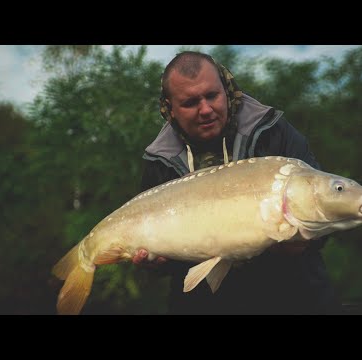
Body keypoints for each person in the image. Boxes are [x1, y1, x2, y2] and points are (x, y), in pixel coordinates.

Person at [134, 51, 343, 315]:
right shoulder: (159, 160)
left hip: (294, 298)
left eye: (212, 96)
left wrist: (305, 243)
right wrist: (159, 264)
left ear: (227, 89)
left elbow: (324, 209)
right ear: (170, 108)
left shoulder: (273, 130)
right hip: (204, 305)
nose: (206, 109)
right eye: (190, 102)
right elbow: (167, 263)